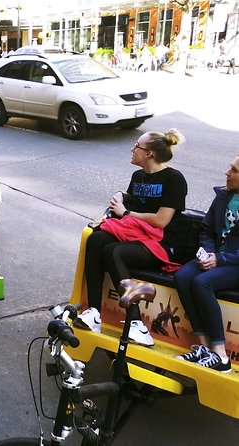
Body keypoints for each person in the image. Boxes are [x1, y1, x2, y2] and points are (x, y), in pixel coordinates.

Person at [76, 129, 188, 346]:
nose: (132, 149)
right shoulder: (138, 176)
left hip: (161, 244)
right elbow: (133, 200)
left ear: (149, 154)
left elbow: (161, 220)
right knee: (96, 239)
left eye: (137, 146)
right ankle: (94, 313)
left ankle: (136, 323)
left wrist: (125, 213)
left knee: (113, 250)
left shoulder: (174, 179)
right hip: (137, 237)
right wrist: (121, 195)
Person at [173, 155, 239, 374]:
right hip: (214, 256)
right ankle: (203, 346)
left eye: (234, 170)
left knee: (202, 283)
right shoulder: (223, 196)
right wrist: (209, 252)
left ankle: (220, 354)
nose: (227, 173)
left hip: (234, 263)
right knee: (182, 277)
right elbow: (206, 229)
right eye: (230, 167)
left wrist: (220, 259)